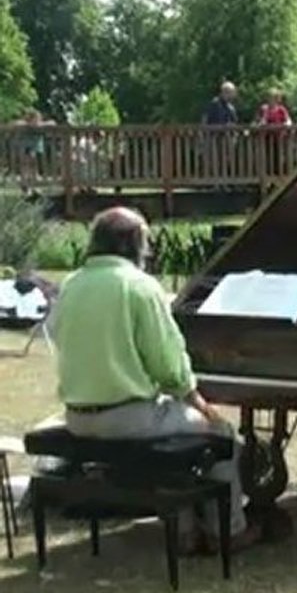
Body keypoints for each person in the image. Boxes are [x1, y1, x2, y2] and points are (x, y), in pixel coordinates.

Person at [49, 207, 260, 553]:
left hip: (77, 417)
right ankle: (228, 532)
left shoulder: (70, 285)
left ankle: (186, 531)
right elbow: (168, 363)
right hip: (128, 418)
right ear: (134, 245)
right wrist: (197, 401)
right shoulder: (140, 287)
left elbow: (61, 337)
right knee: (222, 435)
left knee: (177, 433)